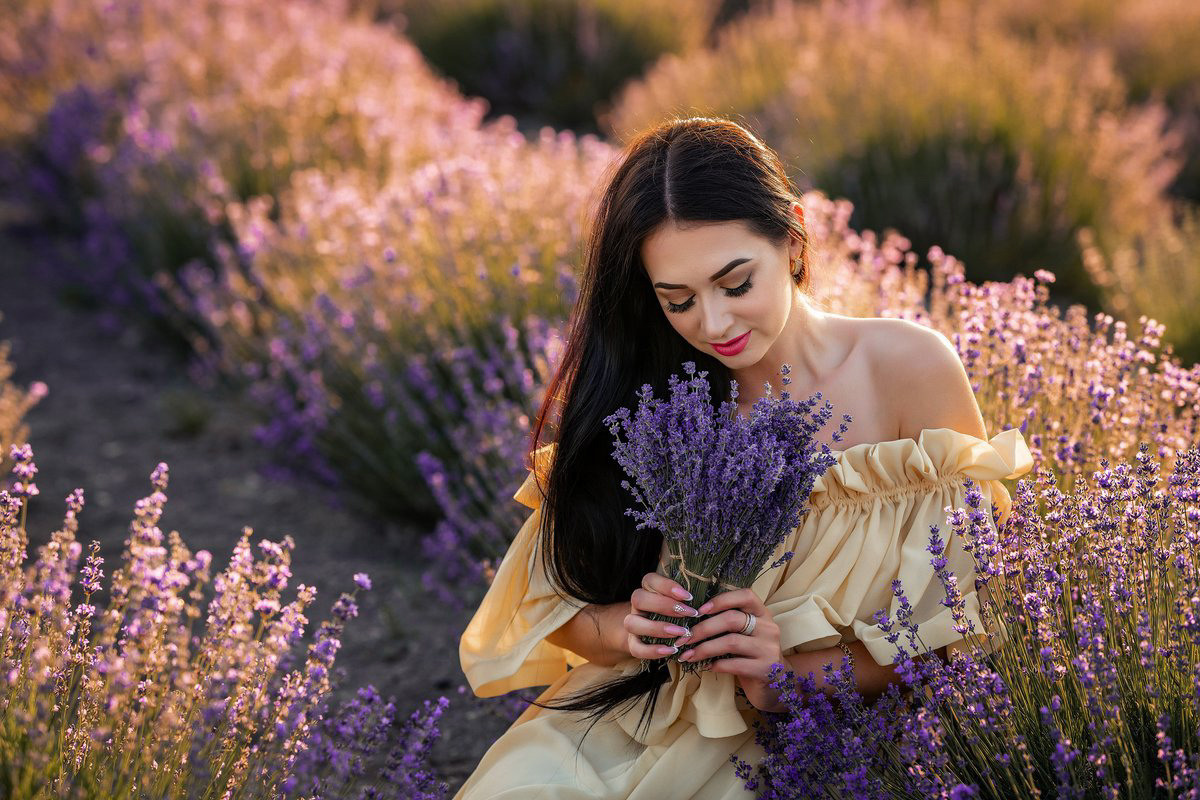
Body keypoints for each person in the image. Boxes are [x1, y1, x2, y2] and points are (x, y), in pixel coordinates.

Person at [454, 116, 1033, 798]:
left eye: (735, 285)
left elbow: (971, 618)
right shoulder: (658, 404)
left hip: (831, 748)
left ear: (791, 236)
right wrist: (625, 626)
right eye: (679, 301)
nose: (715, 324)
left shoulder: (907, 368)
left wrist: (788, 674)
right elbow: (555, 605)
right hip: (642, 719)